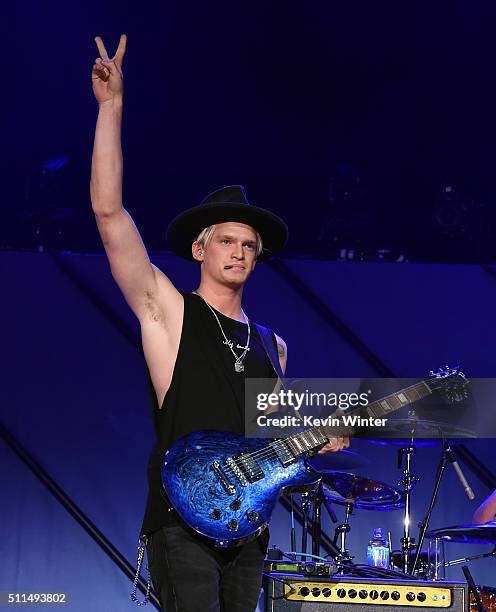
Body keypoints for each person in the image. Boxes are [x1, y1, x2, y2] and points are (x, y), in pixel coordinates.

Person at [90, 34, 349, 611]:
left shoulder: (273, 346)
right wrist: (112, 109)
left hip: (248, 529)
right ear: (201, 250)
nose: (239, 252)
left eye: (249, 245)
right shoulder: (168, 309)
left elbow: (272, 441)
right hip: (182, 522)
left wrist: (320, 439)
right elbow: (109, 216)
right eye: (227, 241)